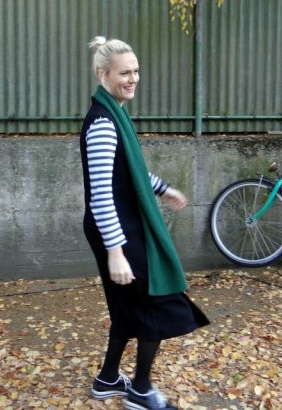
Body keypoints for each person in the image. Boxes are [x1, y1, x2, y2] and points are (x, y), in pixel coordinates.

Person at [79, 36, 210, 410]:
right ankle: (140, 390)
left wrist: (164, 190)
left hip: (122, 223)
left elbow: (129, 171)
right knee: (158, 300)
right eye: (124, 73)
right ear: (103, 74)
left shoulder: (115, 115)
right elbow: (102, 194)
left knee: (127, 305)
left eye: (136, 71)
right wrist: (116, 252)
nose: (133, 78)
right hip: (117, 228)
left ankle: (108, 379)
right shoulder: (103, 124)